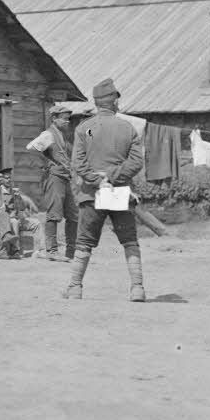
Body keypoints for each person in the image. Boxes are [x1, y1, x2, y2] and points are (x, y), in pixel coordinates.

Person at [65, 77, 146, 302]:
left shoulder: (85, 129)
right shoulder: (127, 128)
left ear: (96, 103)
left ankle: (75, 288)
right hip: (119, 193)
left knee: (83, 242)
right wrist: (112, 176)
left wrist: (98, 179)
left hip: (91, 194)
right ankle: (137, 288)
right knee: (129, 240)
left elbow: (78, 164)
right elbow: (136, 162)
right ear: (114, 102)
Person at [27, 103, 80, 261]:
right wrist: (47, 164)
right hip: (54, 177)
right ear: (54, 118)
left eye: (68, 119)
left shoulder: (62, 135)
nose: (67, 122)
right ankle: (52, 250)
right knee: (54, 214)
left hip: (65, 177)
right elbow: (31, 149)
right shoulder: (48, 134)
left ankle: (71, 251)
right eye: (64, 119)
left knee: (74, 215)